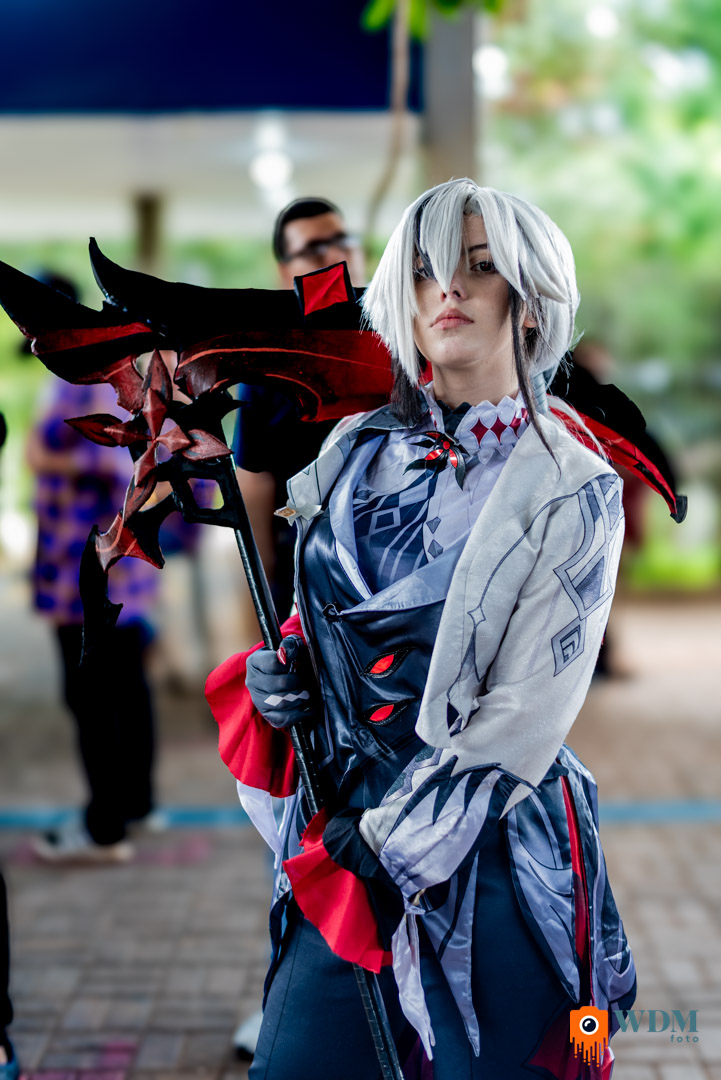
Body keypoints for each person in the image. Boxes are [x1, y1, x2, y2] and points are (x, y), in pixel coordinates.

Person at [208, 179, 636, 1078]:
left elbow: (523, 714)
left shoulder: (572, 483)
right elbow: (313, 621)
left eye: (480, 267)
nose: (448, 289)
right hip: (344, 827)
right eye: (423, 270)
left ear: (529, 299)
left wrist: (383, 847)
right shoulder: (350, 449)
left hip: (494, 852)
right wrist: (283, 674)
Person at [27, 375, 159, 863]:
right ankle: (135, 804)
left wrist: (46, 460)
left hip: (85, 577)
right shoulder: (117, 382)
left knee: (95, 700)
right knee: (125, 691)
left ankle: (106, 827)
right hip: (107, 572)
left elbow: (116, 465)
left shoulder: (85, 386)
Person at [233, 197, 366, 620]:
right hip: (308, 585)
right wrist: (259, 607)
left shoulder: (403, 338)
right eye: (313, 249)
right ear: (285, 271)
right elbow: (254, 489)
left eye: (342, 241)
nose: (334, 255)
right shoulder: (267, 365)